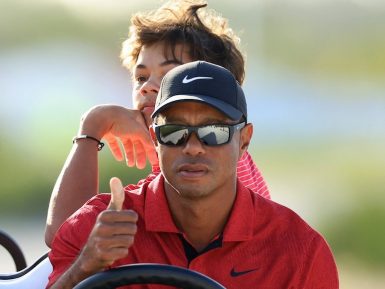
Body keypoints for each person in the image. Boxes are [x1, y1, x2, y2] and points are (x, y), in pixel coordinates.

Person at [47, 61, 339, 289]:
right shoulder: (96, 226)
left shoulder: (299, 250)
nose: (194, 147)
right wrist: (86, 265)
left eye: (214, 132)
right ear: (155, 139)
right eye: (174, 132)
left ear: (244, 140)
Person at [45, 0, 270, 247]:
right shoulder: (165, 164)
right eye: (141, 77)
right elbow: (67, 244)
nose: (146, 87)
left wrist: (91, 127)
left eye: (169, 76)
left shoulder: (219, 155)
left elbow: (66, 239)